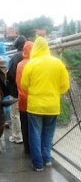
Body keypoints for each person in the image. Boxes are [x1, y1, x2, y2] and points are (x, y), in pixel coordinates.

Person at [21, 36, 69, 171]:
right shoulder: (58, 63)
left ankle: (37, 164)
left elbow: (24, 85)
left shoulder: (31, 64)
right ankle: (47, 159)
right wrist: (53, 92)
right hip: (53, 106)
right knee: (48, 134)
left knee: (35, 135)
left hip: (35, 106)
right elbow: (64, 86)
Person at [7, 35, 27, 143]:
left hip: (15, 91)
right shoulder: (30, 56)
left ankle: (17, 137)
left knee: (15, 114)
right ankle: (26, 136)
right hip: (28, 91)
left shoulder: (15, 57)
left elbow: (10, 74)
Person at [16, 41, 33, 154]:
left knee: (25, 126)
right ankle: (36, 150)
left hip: (22, 101)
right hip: (34, 102)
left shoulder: (20, 65)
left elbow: (18, 83)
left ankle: (27, 149)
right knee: (35, 128)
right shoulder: (35, 63)